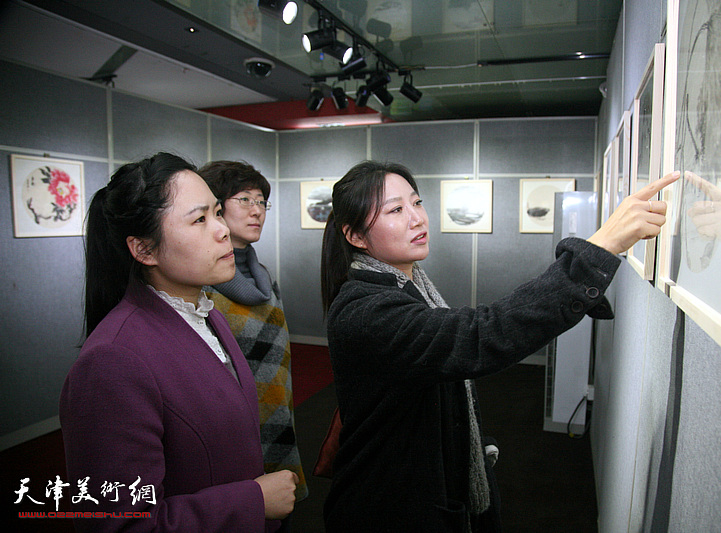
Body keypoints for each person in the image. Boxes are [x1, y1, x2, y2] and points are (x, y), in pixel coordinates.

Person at [319, 160, 679, 532]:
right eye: (396, 210)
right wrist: (599, 248)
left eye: (417, 202)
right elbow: (480, 335)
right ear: (356, 236)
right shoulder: (365, 311)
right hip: (387, 507)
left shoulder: (408, 286)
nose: (417, 219)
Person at [60, 152, 298, 532]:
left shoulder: (207, 315)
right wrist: (251, 500)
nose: (221, 230)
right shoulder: (111, 361)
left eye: (218, 213)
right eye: (200, 219)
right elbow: (121, 525)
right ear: (145, 249)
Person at [198, 161, 308, 511]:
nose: (257, 210)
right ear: (215, 207)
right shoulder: (201, 288)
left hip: (278, 415)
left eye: (262, 201)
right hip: (232, 432)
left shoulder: (264, 277)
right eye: (244, 200)